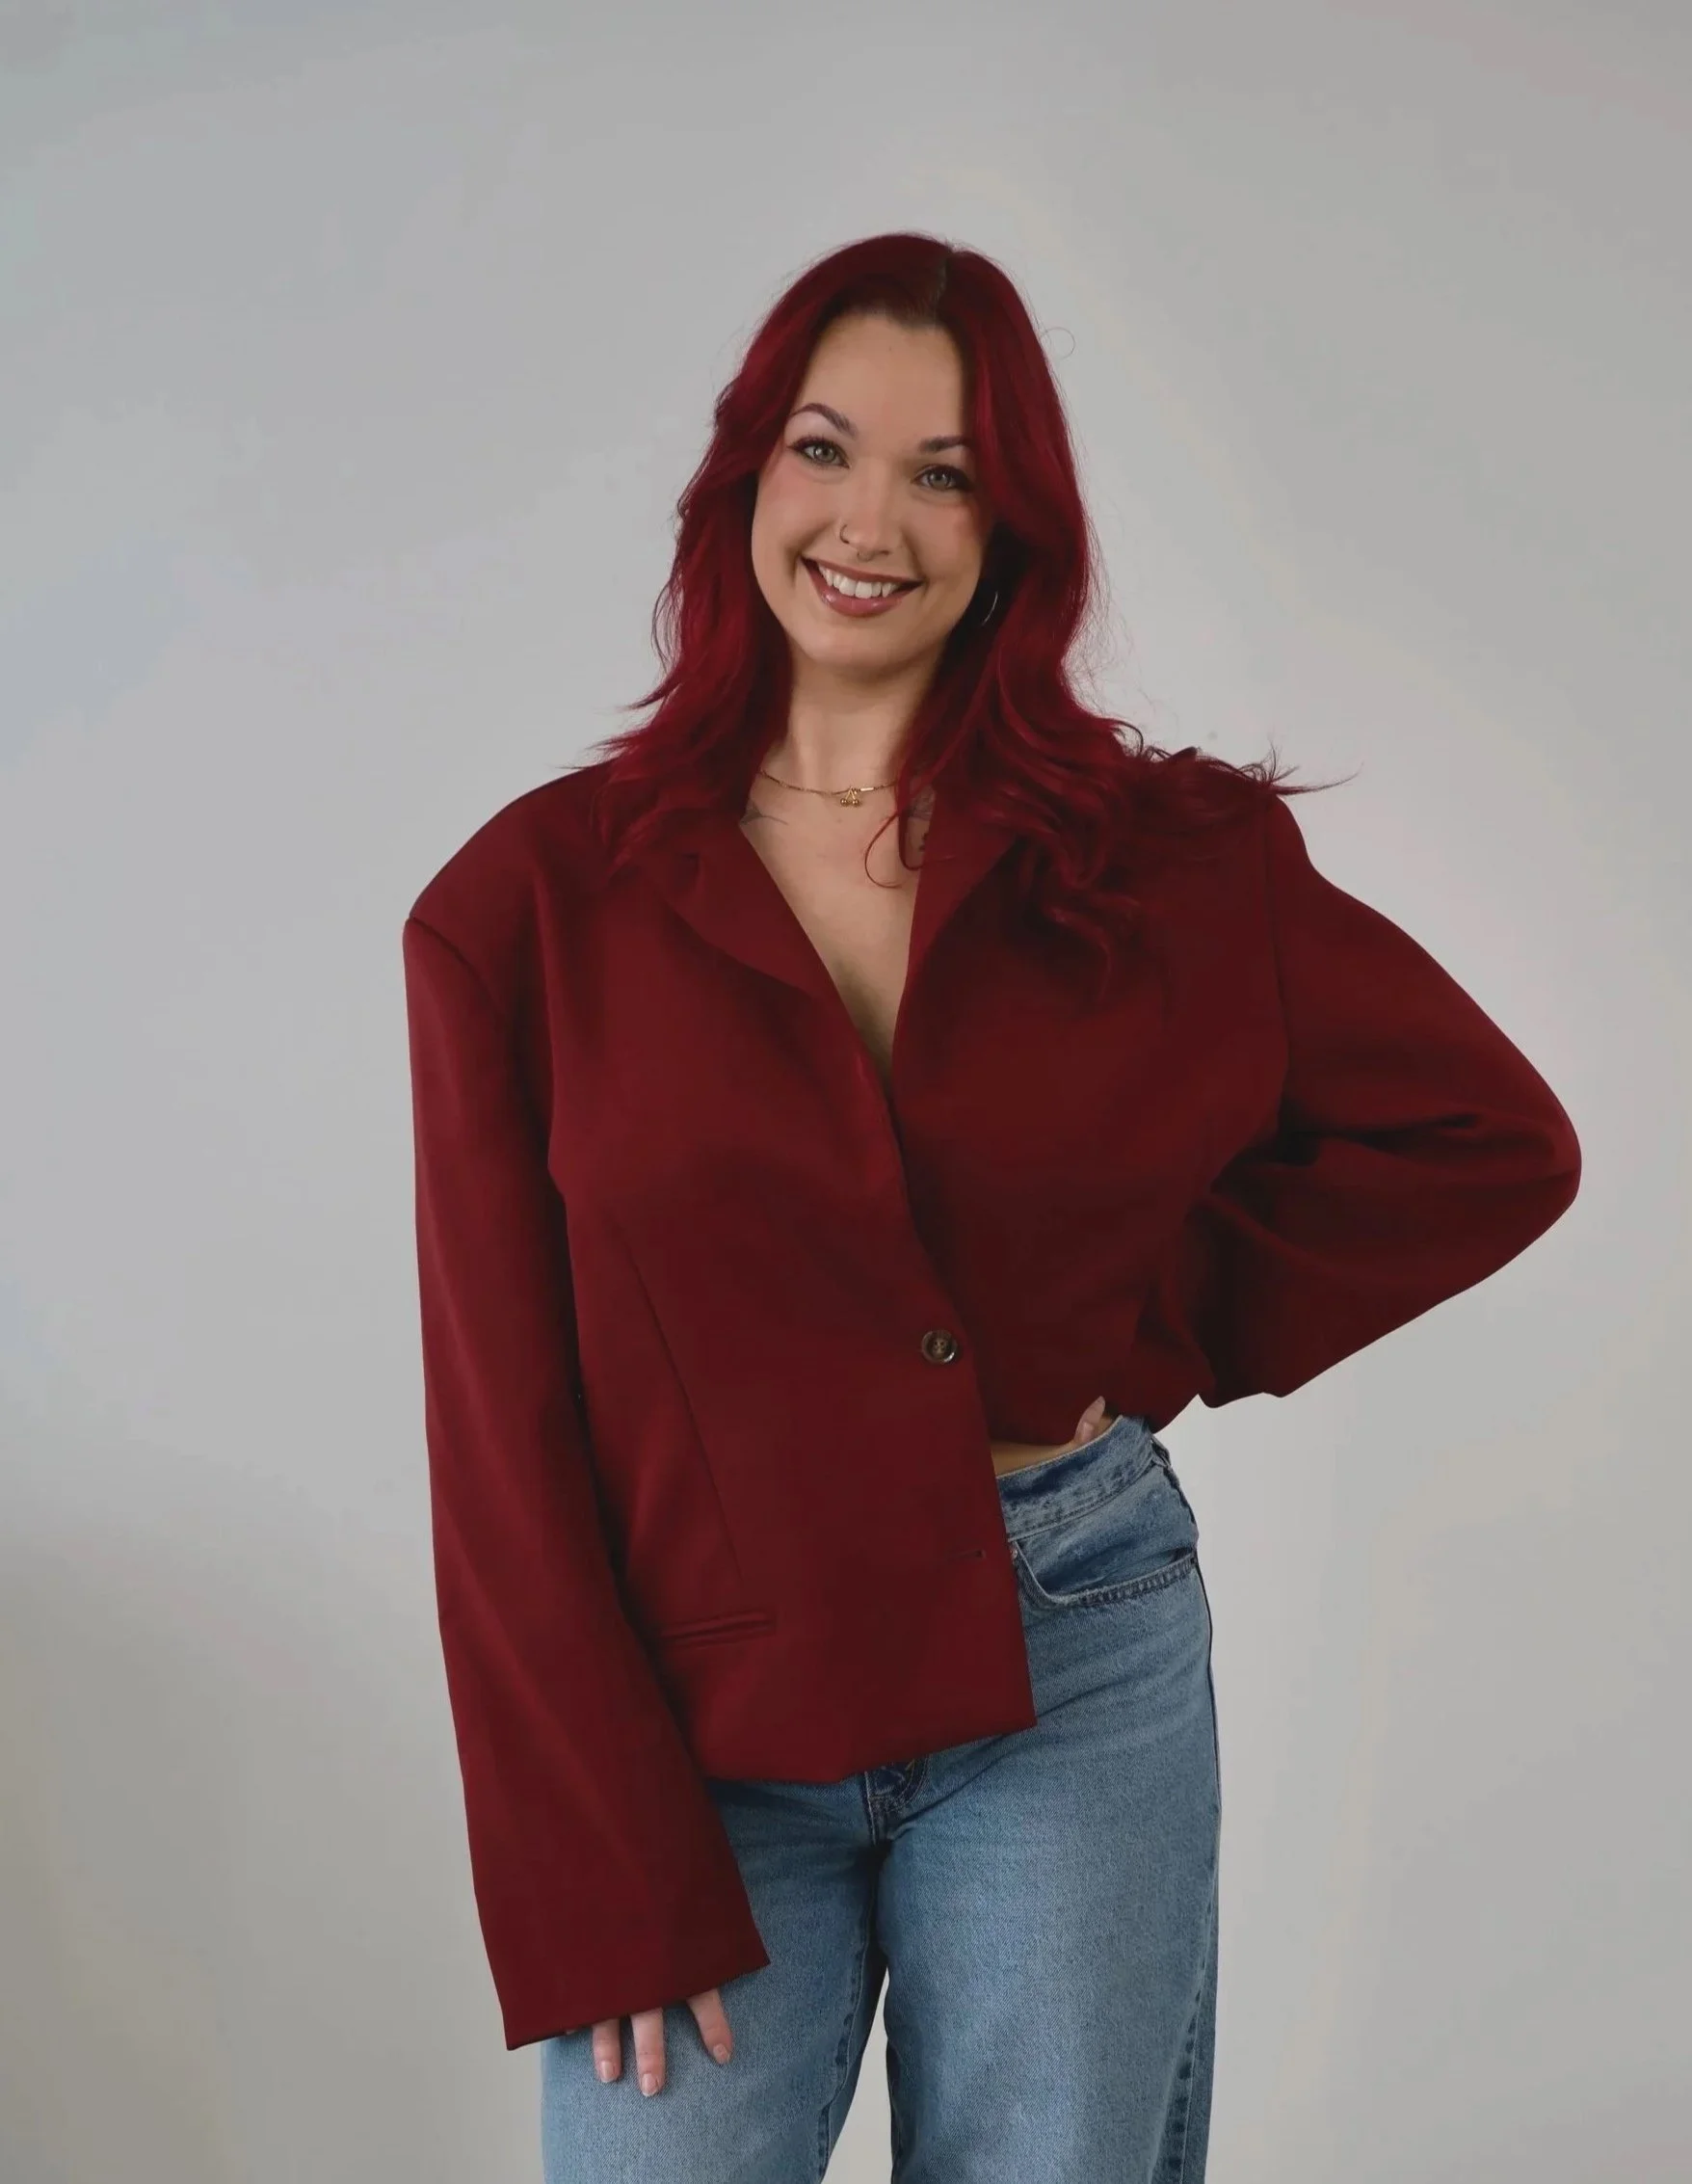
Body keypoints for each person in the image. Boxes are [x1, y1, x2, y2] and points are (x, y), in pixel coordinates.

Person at [401, 233, 1582, 2183]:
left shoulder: (1170, 861)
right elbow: (500, 1439)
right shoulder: (530, 908)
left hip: (1075, 1651)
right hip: (699, 1708)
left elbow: (1488, 1136)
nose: (873, 518)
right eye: (824, 446)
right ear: (745, 481)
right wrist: (590, 1860)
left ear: (1012, 521)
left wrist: (1146, 1321)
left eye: (944, 471)